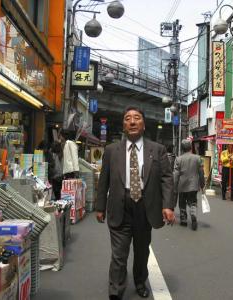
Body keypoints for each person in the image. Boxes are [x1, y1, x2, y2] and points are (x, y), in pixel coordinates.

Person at [96, 106, 175, 300]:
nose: (132, 121)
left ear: (143, 124)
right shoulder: (111, 150)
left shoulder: (157, 150)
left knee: (141, 253)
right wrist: (99, 207)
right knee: (119, 254)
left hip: (144, 208)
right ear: (123, 124)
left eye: (137, 118)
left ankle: (140, 282)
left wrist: (168, 205)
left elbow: (166, 178)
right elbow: (103, 180)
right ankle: (115, 290)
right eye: (128, 118)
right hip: (119, 205)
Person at [173, 139, 205, 230]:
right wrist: (202, 184)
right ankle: (193, 213)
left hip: (182, 185)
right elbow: (201, 173)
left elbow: (175, 175)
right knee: (193, 202)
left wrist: (174, 187)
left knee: (182, 203)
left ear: (182, 149)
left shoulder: (178, 159)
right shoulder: (197, 158)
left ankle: (183, 220)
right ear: (190, 147)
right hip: (194, 185)